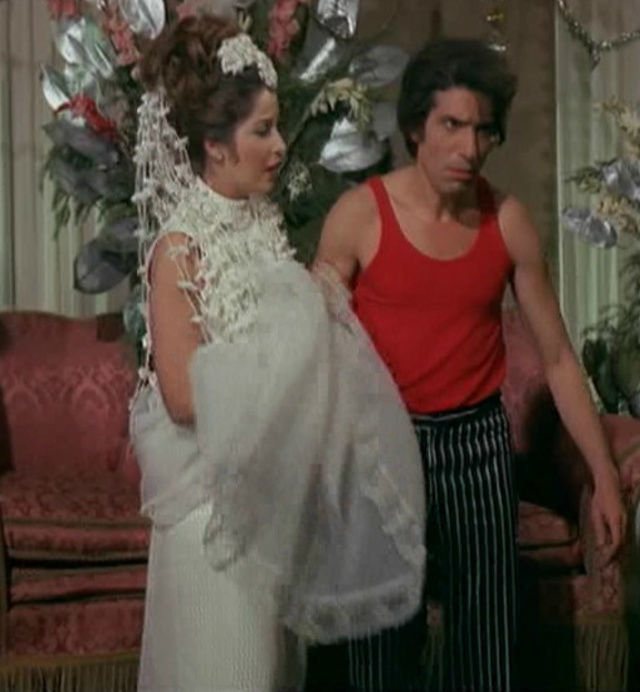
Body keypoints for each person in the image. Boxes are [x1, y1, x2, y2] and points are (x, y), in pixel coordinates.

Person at [310, 38, 627, 692]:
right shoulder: (359, 216)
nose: (469, 147)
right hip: (382, 445)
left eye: (483, 130)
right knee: (379, 649)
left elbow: (559, 359)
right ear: (415, 129)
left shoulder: (507, 222)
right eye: (451, 125)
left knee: (486, 646)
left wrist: (604, 477)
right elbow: (315, 351)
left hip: (476, 445)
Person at [129, 13, 427, 692]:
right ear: (215, 144)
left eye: (276, 127)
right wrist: (290, 348)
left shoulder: (264, 228)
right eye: (261, 130)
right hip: (210, 513)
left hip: (267, 503)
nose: (279, 146)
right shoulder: (180, 248)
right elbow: (182, 397)